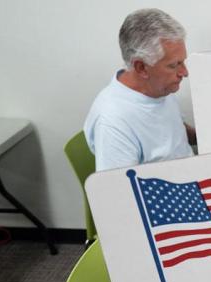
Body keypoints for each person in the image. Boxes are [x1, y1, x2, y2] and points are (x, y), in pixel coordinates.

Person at [84, 8, 196, 171]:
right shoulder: (113, 121)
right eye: (174, 65)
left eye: (182, 62)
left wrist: (208, 137)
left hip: (191, 173)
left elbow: (173, 130)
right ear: (141, 67)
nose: (184, 73)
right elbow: (119, 192)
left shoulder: (159, 87)